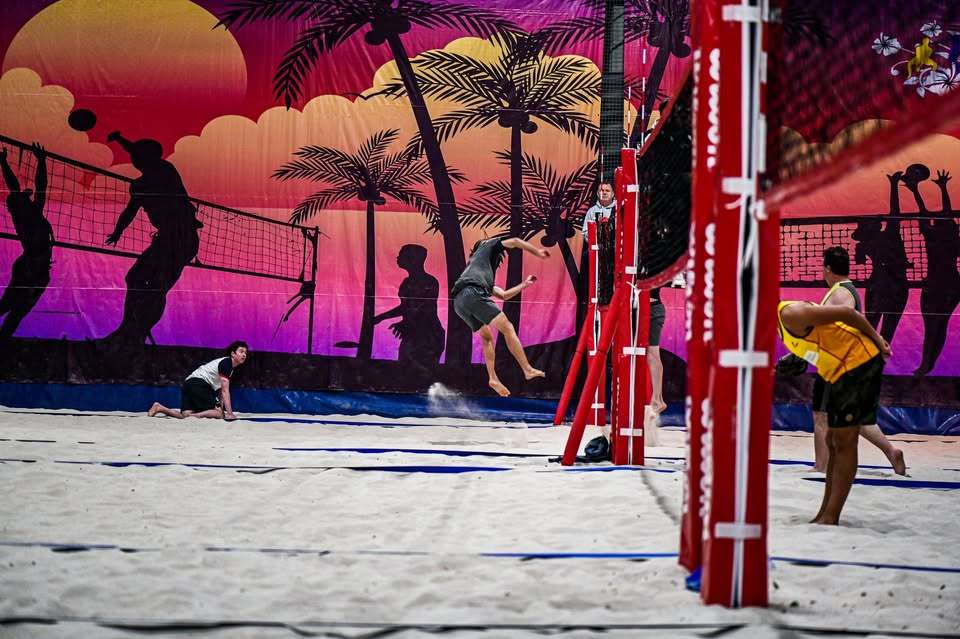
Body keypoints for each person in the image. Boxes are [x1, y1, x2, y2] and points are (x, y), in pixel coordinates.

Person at [778, 297, 891, 525]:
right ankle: (825, 513)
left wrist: (879, 341)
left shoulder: (791, 313)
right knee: (832, 440)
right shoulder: (782, 323)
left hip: (860, 362)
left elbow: (848, 314)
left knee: (845, 441)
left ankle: (831, 516)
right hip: (838, 369)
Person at [810, 247, 905, 475]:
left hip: (838, 365)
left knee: (821, 416)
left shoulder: (841, 293)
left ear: (828, 269)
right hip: (841, 362)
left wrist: (878, 340)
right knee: (854, 419)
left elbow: (853, 318)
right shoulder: (842, 289)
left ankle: (821, 468)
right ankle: (891, 451)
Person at [104, 131, 201, 345]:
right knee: (135, 278)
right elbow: (130, 210)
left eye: (138, 155)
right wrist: (118, 231)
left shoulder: (165, 170)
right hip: (166, 239)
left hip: (182, 238)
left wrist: (122, 141)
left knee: (158, 286)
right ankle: (128, 329)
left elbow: (141, 154)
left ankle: (136, 334)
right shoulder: (139, 185)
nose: (133, 158)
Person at [451, 237, 548, 397]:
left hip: (459, 303)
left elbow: (503, 295)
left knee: (487, 337)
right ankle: (527, 369)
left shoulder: (480, 272)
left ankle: (493, 378)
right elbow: (516, 241)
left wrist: (524, 284)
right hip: (472, 293)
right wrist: (536, 252)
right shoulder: (485, 246)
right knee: (507, 327)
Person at [0, 143, 54, 338]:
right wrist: (41, 161)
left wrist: (3, 163)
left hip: (36, 269)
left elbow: (33, 188)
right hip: (31, 268)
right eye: (25, 197)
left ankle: (3, 343)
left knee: (14, 311)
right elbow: (38, 188)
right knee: (11, 309)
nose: (27, 197)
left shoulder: (28, 213)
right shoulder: (29, 215)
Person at [373, 244, 445, 367]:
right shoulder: (407, 283)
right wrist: (381, 317)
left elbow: (424, 308)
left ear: (412, 259)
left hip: (428, 336)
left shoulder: (430, 282)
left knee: (421, 372)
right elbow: (406, 307)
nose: (398, 257)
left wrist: (405, 323)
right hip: (414, 334)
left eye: (402, 254)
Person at [148, 341, 248, 420]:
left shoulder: (228, 366)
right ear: (233, 354)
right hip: (199, 384)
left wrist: (220, 407)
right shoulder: (227, 363)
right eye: (241, 351)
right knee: (219, 414)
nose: (244, 355)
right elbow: (225, 391)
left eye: (245, 353)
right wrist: (229, 414)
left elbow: (221, 391)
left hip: (189, 383)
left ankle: (159, 408)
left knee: (186, 415)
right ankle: (197, 416)